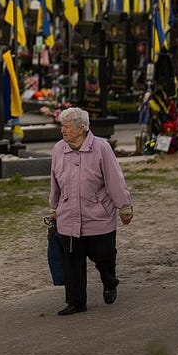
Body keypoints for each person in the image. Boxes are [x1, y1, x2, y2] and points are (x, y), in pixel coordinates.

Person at [47, 107, 133, 315]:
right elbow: (54, 181)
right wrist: (53, 207)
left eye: (66, 126)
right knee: (72, 260)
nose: (63, 131)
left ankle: (109, 281)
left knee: (103, 255)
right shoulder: (59, 149)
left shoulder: (101, 148)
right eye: (62, 126)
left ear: (82, 128)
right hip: (68, 215)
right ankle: (76, 302)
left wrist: (124, 206)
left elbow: (114, 179)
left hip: (97, 215)